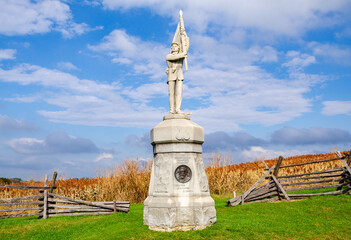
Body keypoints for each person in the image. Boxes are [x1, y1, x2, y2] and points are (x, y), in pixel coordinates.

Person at [166, 42, 186, 114]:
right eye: (173, 46)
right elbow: (174, 58)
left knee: (179, 93)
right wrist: (182, 54)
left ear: (179, 48)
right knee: (171, 93)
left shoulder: (182, 55)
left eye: (176, 46)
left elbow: (186, 47)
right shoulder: (169, 56)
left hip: (179, 74)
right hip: (171, 74)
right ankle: (172, 109)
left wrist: (183, 34)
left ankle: (178, 109)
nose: (174, 47)